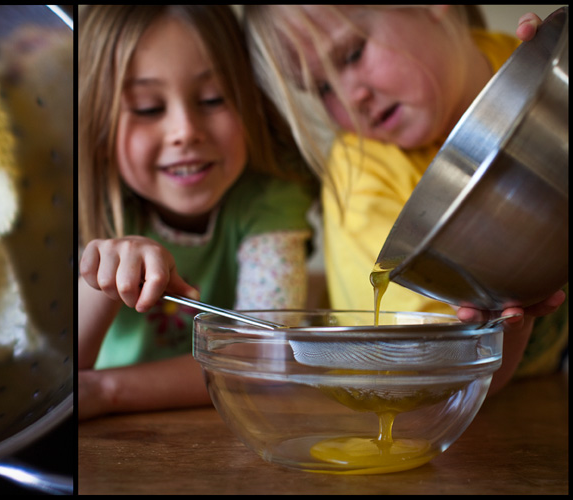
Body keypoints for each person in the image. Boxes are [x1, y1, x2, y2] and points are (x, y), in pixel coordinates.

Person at [241, 6, 567, 395]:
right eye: (322, 88)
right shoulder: (360, 174)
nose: (350, 98)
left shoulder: (538, 64)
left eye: (352, 54)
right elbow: (425, 379)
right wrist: (511, 315)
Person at [77, 5, 317, 421]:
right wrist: (103, 276)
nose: (185, 130)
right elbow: (61, 376)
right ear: (99, 126)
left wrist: (105, 391)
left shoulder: (273, 197)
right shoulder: (82, 203)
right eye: (149, 107)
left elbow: (260, 355)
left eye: (213, 99)